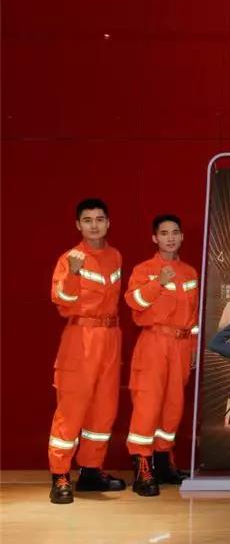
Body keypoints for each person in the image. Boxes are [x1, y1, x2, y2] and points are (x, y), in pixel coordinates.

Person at [47, 198, 127, 504]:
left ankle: (91, 471)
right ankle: (60, 475)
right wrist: (73, 273)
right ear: (78, 225)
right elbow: (62, 301)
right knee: (72, 409)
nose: (94, 225)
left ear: (108, 223)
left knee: (104, 409)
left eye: (99, 219)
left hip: (110, 338)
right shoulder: (70, 259)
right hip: (81, 338)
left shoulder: (115, 256)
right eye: (88, 220)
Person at [124, 214, 200, 496]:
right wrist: (158, 282)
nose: (170, 238)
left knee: (173, 406)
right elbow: (134, 302)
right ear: (155, 238)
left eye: (175, 232)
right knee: (148, 404)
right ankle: (142, 467)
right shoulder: (144, 270)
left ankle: (162, 461)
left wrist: (193, 347)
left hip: (181, 346)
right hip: (154, 342)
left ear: (182, 237)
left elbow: (194, 317)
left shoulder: (190, 272)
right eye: (164, 233)